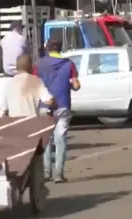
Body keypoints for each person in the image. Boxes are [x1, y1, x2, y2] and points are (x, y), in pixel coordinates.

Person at [33, 38, 80, 183]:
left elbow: (34, 83)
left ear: (47, 48)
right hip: (63, 105)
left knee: (46, 140)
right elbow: (76, 85)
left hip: (45, 105)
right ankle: (59, 174)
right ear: (61, 48)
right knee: (60, 139)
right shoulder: (69, 64)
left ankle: (47, 172)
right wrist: (69, 85)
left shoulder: (39, 64)